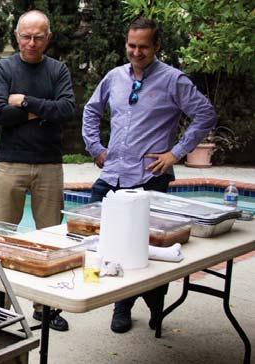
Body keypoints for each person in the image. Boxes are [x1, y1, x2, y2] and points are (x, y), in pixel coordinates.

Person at [82, 17, 216, 333]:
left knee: (147, 247)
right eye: (131, 45)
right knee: (96, 236)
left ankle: (145, 306)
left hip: (150, 179)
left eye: (143, 46)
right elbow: (90, 111)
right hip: (112, 174)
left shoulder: (174, 80)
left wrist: (176, 152)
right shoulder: (114, 77)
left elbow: (205, 113)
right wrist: (95, 148)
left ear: (156, 46)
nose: (137, 52)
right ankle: (118, 297)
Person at [0, 10, 76, 332]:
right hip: (11, 162)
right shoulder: (5, 67)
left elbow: (66, 109)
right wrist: (41, 110)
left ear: (48, 38)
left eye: (38, 36)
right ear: (16, 35)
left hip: (49, 164)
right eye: (26, 36)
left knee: (50, 240)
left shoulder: (57, 70)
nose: (31, 42)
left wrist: (24, 102)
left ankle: (46, 307)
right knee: (1, 237)